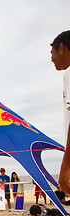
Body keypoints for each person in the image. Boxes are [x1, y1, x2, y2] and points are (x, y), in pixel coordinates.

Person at [50, 30, 70, 193]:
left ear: (62, 48)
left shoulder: (69, 73)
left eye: (52, 52)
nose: (51, 58)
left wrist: (65, 167)